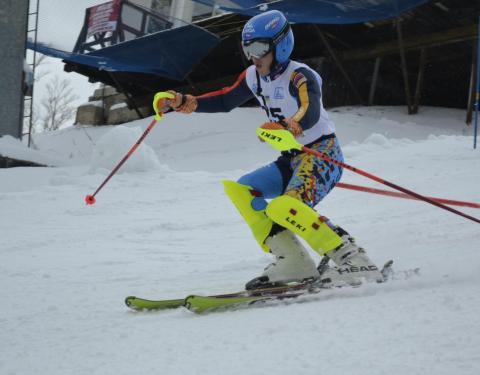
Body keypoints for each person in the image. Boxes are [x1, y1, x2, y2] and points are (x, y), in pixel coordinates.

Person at [153, 10, 383, 290]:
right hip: (292, 158)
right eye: (247, 48)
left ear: (280, 45)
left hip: (323, 154)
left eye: (260, 48)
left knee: (287, 206)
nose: (253, 56)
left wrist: (289, 126)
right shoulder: (254, 76)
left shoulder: (300, 75)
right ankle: (292, 260)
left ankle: (354, 259)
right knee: (241, 189)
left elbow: (308, 111)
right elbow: (226, 99)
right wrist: (182, 101)